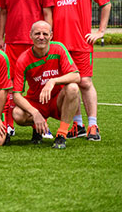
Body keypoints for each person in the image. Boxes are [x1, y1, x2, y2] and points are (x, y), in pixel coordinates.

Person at [46, 0, 110, 141]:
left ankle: (93, 125)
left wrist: (100, 31)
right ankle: (78, 125)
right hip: (60, 45)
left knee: (85, 82)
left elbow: (105, 3)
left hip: (82, 43)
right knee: (68, 86)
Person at [0, 0, 53, 136]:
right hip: (13, 42)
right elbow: (2, 13)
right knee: (10, 84)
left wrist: (47, 38)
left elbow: (47, 13)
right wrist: (0, 38)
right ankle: (10, 124)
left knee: (38, 83)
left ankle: (41, 125)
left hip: (35, 43)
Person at [12, 20, 81, 149]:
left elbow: (76, 76)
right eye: (37, 33)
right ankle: (36, 127)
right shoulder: (23, 59)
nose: (41, 37)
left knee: (73, 88)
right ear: (30, 35)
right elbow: (16, 95)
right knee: (17, 114)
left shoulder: (59, 48)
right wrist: (35, 113)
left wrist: (53, 81)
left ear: (51, 35)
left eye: (45, 33)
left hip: (57, 101)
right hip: (36, 101)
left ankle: (61, 135)